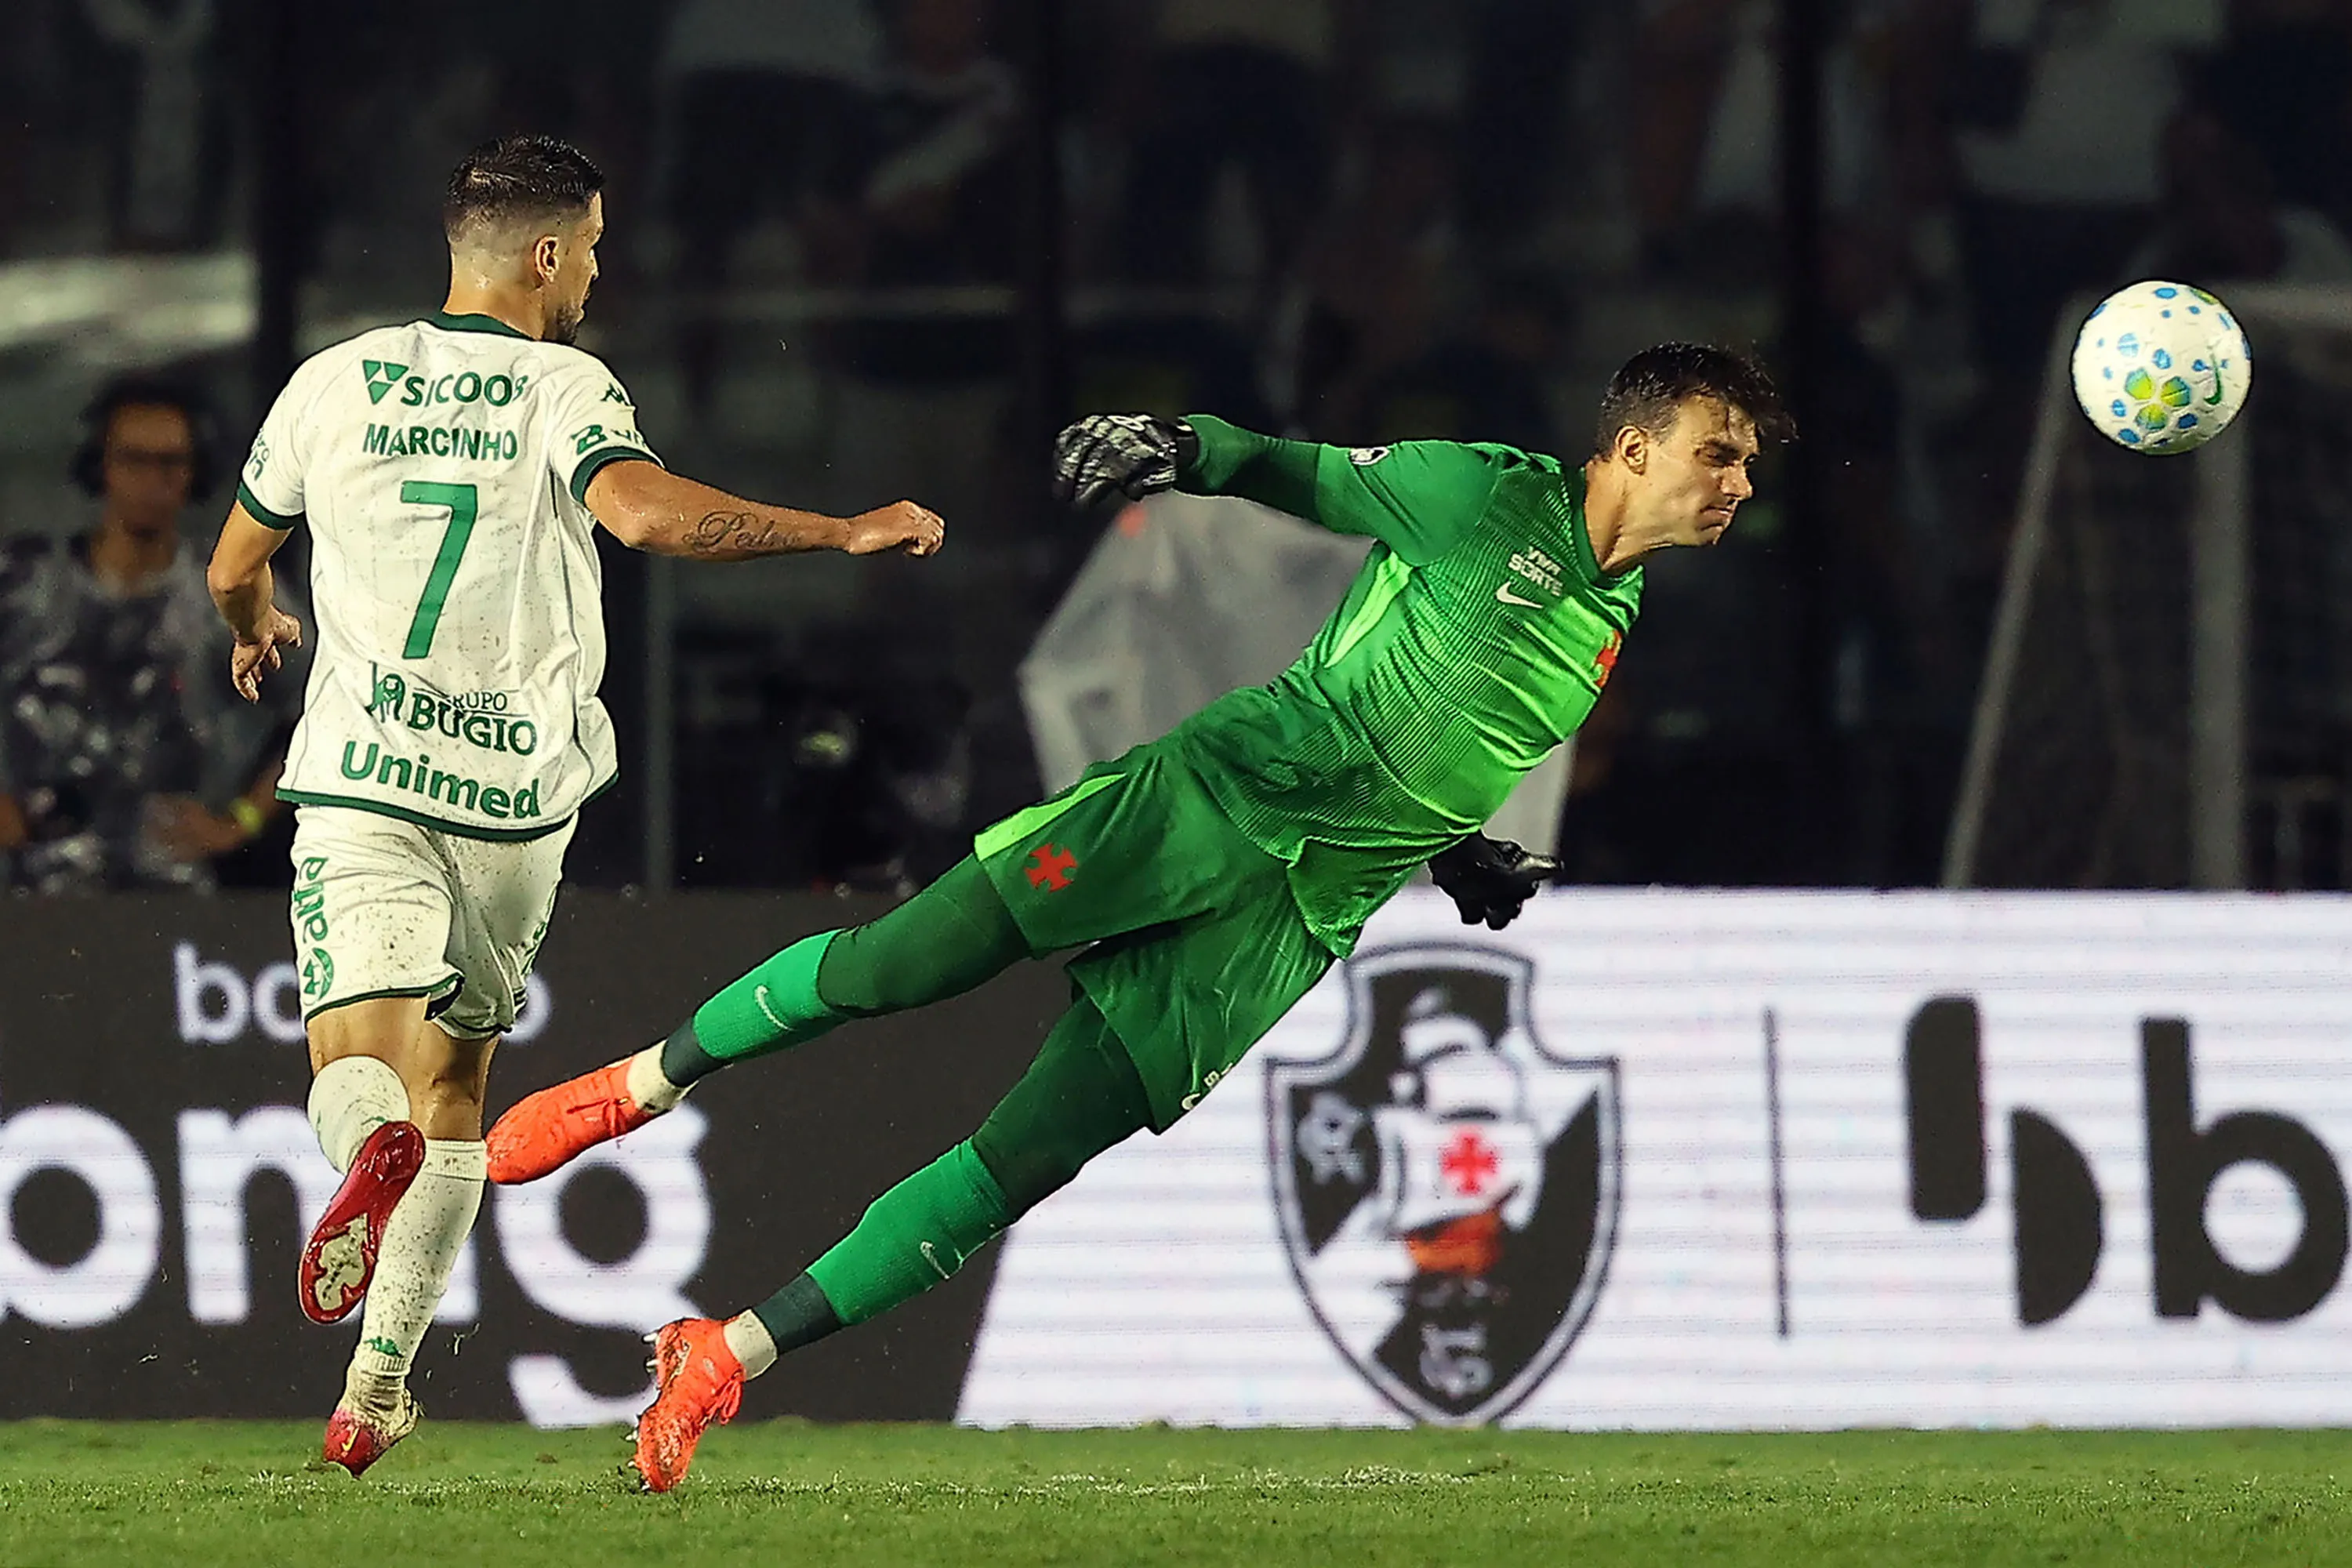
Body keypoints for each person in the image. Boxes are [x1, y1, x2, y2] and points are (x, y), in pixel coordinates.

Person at [488, 342, 1791, 1492]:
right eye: (1716, 452)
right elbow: (1310, 474)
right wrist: (1181, 448)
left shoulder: (1614, 614)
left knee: (1017, 1167)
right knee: (903, 964)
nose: (1735, 482)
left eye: (1744, 464)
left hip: (1287, 930)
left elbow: (1432, 726)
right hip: (1210, 800)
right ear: (1630, 445)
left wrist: (1459, 854)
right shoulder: (1491, 493)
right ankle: (641, 1085)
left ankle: (724, 1356)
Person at [202, 134, 945, 1478]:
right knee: (461, 1086)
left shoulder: (328, 383)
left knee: (357, 1061)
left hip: (365, 770)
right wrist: (837, 533)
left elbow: (234, 563)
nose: (598, 270)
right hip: (517, 804)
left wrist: (260, 626)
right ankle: (376, 1386)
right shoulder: (563, 385)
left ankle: (360, 1158)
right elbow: (648, 519)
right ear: (546, 255)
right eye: (593, 246)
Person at [0, 377, 296, 892]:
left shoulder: (229, 589)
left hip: (175, 892)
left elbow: (328, 703)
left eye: (171, 462)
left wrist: (243, 822)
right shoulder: (25, 584)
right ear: (102, 465)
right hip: (32, 887)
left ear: (193, 471)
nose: (152, 480)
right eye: (133, 460)